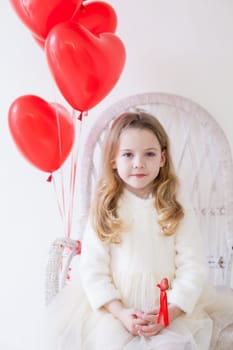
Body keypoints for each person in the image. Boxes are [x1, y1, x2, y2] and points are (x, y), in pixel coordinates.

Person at [45, 112, 233, 350]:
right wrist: (120, 312)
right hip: (114, 313)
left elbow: (192, 265)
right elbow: (93, 269)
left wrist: (171, 312)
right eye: (128, 154)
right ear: (113, 160)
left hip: (169, 310)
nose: (138, 163)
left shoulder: (174, 203)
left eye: (150, 154)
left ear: (163, 158)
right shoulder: (106, 206)